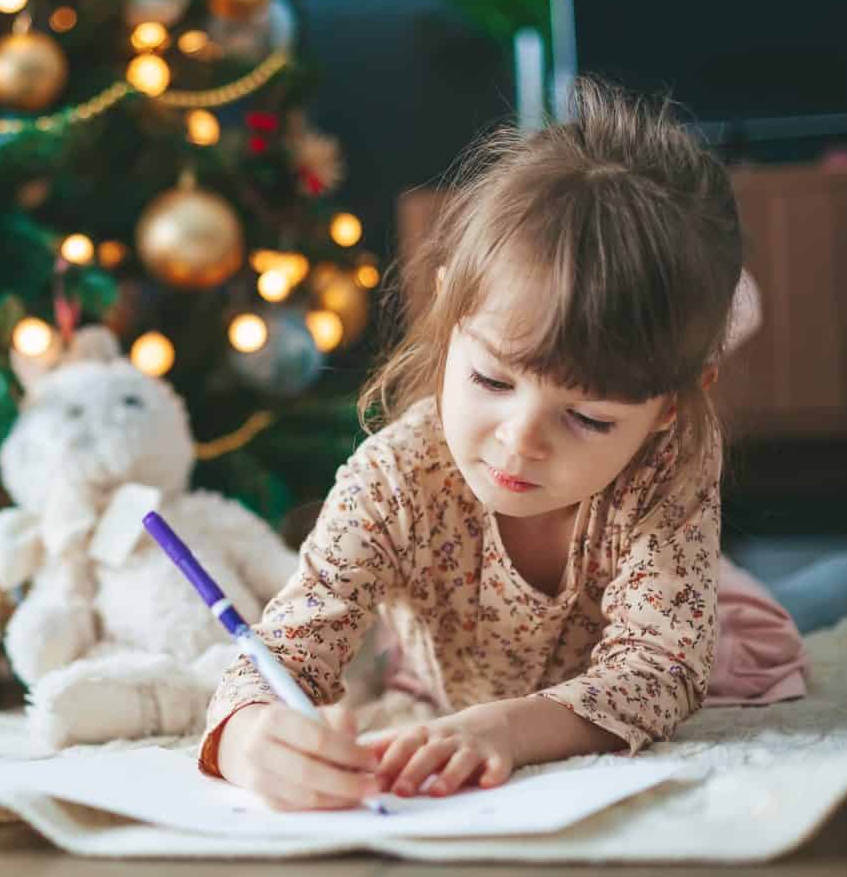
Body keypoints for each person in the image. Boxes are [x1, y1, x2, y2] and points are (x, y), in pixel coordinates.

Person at [203, 78, 806, 811]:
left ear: (668, 411)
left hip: (698, 611)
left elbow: (662, 664)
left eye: (587, 417)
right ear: (450, 306)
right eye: (491, 378)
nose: (520, 442)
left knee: (808, 604)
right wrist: (248, 737)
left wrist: (507, 729)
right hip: (463, 676)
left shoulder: (669, 467)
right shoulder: (394, 476)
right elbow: (287, 646)